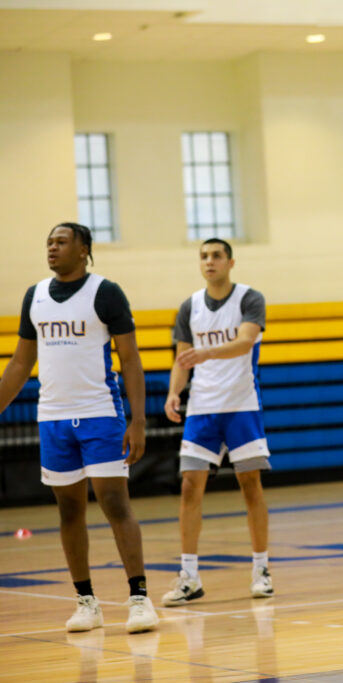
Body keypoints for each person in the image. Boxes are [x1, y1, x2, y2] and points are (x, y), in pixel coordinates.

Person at [0, 222, 158, 633]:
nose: (52, 248)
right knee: (69, 509)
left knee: (113, 503)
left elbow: (131, 359)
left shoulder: (105, 292)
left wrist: (138, 420)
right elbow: (20, 363)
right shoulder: (35, 296)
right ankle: (86, 602)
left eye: (61, 241)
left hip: (100, 413)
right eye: (48, 242)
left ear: (84, 249)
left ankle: (139, 597)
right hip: (52, 418)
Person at [162, 238, 273, 606]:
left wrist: (207, 352)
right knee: (190, 487)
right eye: (204, 257)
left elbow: (245, 343)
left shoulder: (249, 298)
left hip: (241, 404)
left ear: (230, 262)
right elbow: (182, 359)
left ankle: (261, 569)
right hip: (203, 407)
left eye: (216, 256)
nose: (209, 262)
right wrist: (174, 393)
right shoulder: (189, 307)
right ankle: (189, 576)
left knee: (250, 484)